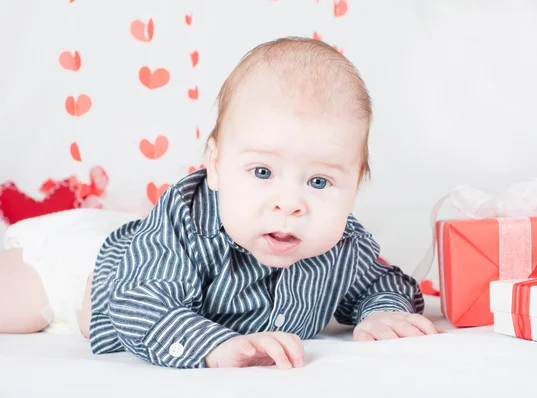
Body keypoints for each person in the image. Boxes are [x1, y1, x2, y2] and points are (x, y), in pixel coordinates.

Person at [0, 37, 439, 370]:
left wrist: (382, 313)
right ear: (214, 165)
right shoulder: (186, 223)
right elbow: (139, 300)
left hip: (126, 237)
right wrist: (210, 346)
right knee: (12, 308)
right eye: (263, 172)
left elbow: (385, 282)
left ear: (355, 185)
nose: (289, 204)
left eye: (319, 181)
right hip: (75, 268)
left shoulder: (343, 246)